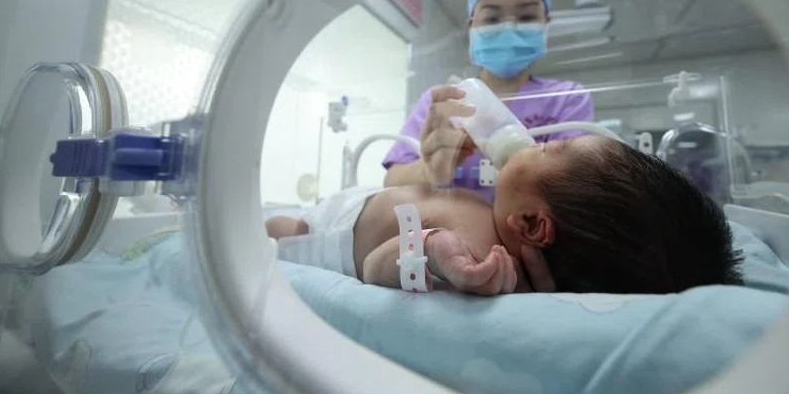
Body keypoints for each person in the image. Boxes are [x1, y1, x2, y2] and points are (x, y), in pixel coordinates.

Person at [266, 135, 744, 296]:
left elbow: (373, 270)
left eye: (550, 147)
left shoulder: (475, 255)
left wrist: (429, 253)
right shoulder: (493, 222)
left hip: (328, 238)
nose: (532, 142)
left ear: (533, 224)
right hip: (352, 203)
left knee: (274, 229)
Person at [382, 0, 595, 201]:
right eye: (492, 19)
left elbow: (578, 187)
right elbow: (392, 180)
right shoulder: (443, 102)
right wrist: (428, 171)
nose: (509, 28)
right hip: (452, 234)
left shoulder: (566, 99)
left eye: (526, 17)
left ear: (546, 23)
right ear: (472, 27)